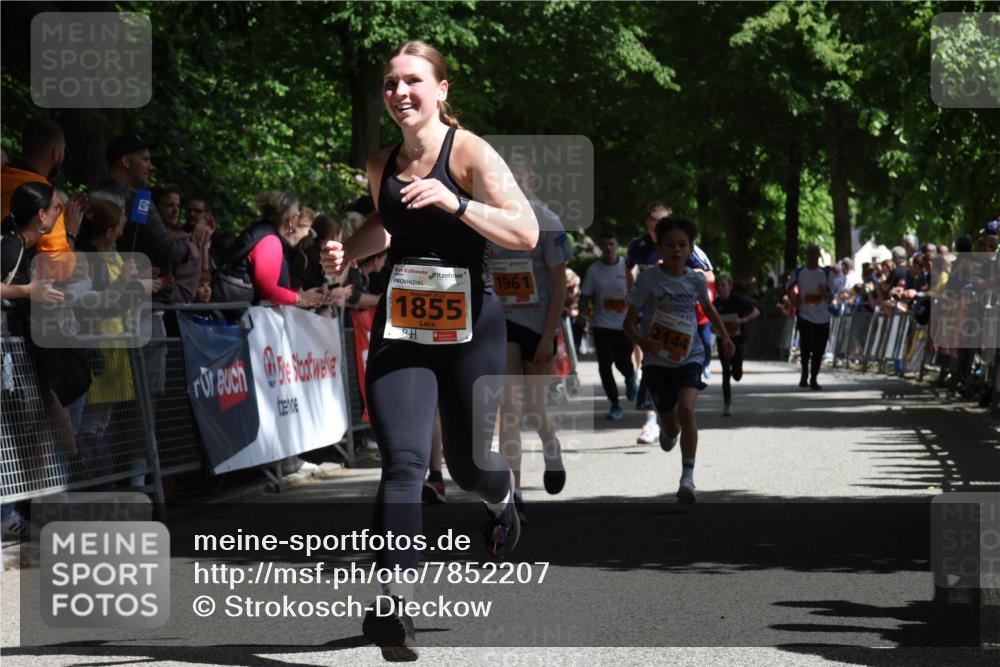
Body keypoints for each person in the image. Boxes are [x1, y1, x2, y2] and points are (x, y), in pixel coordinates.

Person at [320, 40, 538, 660]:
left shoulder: (468, 152)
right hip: (403, 324)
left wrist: (457, 202)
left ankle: (501, 502)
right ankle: (393, 605)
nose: (399, 93)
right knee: (405, 462)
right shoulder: (379, 162)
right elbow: (387, 224)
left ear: (441, 90)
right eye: (390, 83)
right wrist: (348, 254)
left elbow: (523, 231)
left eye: (412, 81)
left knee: (469, 468)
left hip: (472, 324)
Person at [624, 215, 733, 504]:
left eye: (682, 245)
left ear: (690, 249)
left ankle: (687, 478)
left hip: (690, 356)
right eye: (670, 244)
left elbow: (709, 310)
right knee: (671, 426)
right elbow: (628, 324)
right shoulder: (647, 280)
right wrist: (644, 342)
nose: (676, 250)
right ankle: (667, 431)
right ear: (659, 248)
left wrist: (725, 336)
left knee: (687, 410)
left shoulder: (696, 279)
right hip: (658, 362)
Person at [494, 162, 572, 523]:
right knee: (509, 410)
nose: (512, 187)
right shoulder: (490, 223)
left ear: (532, 183)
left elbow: (559, 288)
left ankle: (551, 447)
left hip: (538, 327)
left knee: (536, 411)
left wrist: (548, 336)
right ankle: (515, 495)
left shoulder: (548, 223)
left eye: (518, 181)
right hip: (503, 323)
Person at [626, 201, 714, 444]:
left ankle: (666, 419)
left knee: (681, 391)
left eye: (660, 226)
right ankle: (651, 420)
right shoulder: (639, 246)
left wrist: (684, 282)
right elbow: (629, 269)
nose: (657, 231)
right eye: (654, 227)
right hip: (649, 311)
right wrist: (634, 292)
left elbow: (709, 275)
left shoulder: (684, 246)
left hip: (679, 322)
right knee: (651, 363)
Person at [218, 192, 325, 307]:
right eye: (297, 215)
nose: (298, 219)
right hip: (243, 315)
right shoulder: (270, 241)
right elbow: (268, 290)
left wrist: (301, 295)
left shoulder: (263, 232)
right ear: (291, 221)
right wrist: (299, 299)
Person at [581, 230, 635, 420]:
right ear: (600, 247)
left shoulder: (627, 267)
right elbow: (585, 295)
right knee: (604, 366)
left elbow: (638, 292)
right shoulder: (594, 270)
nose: (608, 248)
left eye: (611, 244)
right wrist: (584, 313)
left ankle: (630, 377)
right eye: (604, 245)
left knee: (623, 362)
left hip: (624, 325)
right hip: (601, 325)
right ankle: (614, 404)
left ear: (616, 246)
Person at [788, 245, 835, 390]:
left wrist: (824, 293)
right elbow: (788, 288)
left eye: (816, 253)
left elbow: (831, 295)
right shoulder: (799, 272)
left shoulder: (826, 273)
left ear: (819, 255)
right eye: (811, 253)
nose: (814, 256)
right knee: (806, 347)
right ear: (807, 255)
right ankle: (804, 374)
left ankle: (814, 377)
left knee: (819, 349)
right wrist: (795, 303)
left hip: (823, 317)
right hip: (805, 315)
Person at [712, 275, 760, 416]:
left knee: (737, 374)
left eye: (723, 285)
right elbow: (711, 322)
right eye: (718, 286)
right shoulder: (715, 304)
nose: (720, 289)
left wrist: (741, 320)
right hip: (723, 341)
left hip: (738, 340)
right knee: (726, 371)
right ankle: (727, 404)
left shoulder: (738, 300)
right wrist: (714, 328)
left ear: (730, 286)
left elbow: (756, 312)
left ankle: (737, 371)